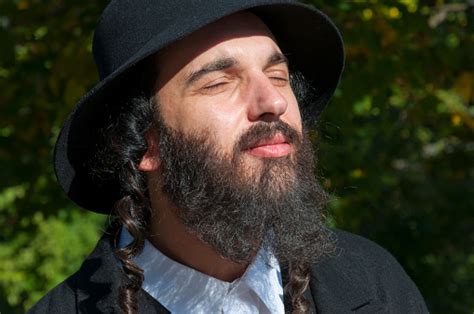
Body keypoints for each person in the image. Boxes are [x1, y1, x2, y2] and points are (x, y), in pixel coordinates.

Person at [30, 0, 428, 313]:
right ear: (139, 143)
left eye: (278, 76)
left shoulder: (374, 282)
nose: (273, 102)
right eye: (219, 82)